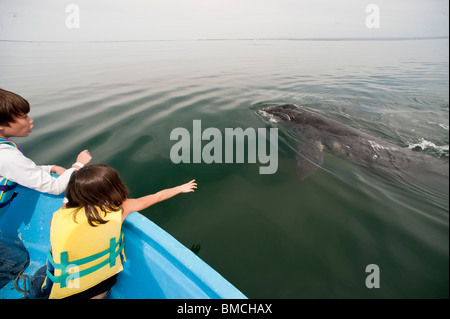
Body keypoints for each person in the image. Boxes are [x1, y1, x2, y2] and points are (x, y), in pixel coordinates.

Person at [42, 164, 197, 299]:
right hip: (99, 287)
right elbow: (156, 197)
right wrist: (180, 188)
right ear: (114, 189)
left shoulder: (60, 215)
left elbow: (53, 224)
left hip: (62, 287)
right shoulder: (120, 209)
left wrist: (67, 200)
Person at [0, 88, 92, 214]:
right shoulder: (6, 156)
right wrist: (78, 165)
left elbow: (18, 169)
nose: (30, 120)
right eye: (24, 117)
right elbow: (55, 187)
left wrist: (51, 168)